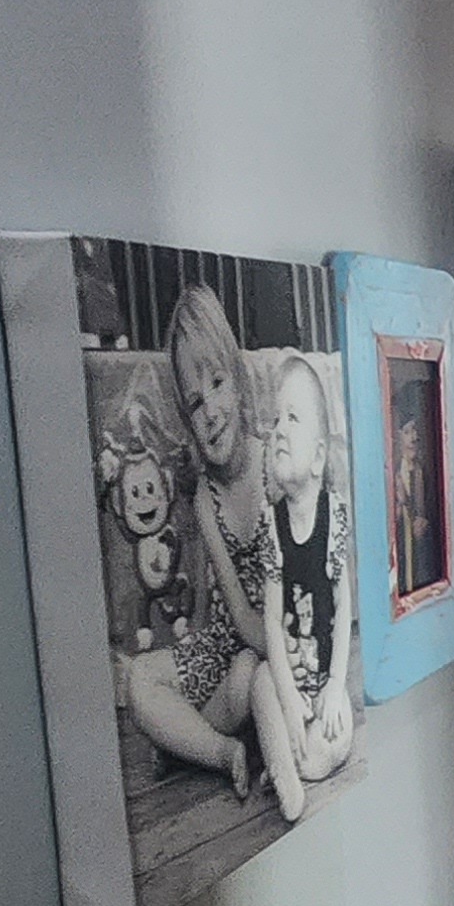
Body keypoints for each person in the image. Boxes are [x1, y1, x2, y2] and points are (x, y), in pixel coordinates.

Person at [111, 286, 276, 805]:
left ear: (239, 382)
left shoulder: (272, 468)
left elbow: (283, 608)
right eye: (195, 403)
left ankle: (185, 742)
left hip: (271, 650)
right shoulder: (206, 497)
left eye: (217, 384)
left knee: (250, 677)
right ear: (187, 419)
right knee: (138, 681)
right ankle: (219, 751)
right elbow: (232, 613)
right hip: (223, 644)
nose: (210, 412)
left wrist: (284, 655)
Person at [261, 353, 361, 802]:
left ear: (319, 456)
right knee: (261, 683)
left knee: (333, 741)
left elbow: (342, 607)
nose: (279, 429)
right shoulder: (271, 523)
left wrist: (335, 685)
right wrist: (286, 695)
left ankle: (286, 756)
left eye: (293, 418)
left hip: (321, 678)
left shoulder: (334, 516)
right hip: (287, 673)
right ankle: (284, 763)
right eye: (275, 419)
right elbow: (270, 620)